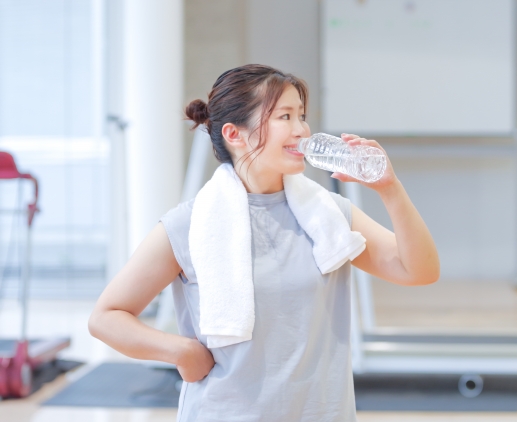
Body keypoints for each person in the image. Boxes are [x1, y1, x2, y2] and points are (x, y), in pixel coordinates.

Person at [88, 64, 439, 421]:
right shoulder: (188, 225)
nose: (302, 130)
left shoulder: (329, 216)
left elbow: (419, 270)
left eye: (302, 116)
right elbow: (106, 317)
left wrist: (389, 189)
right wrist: (180, 351)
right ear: (234, 134)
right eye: (285, 116)